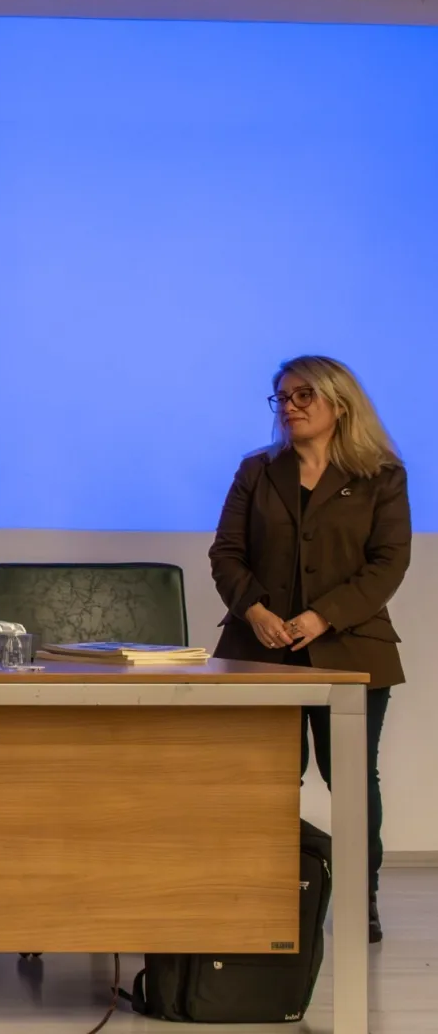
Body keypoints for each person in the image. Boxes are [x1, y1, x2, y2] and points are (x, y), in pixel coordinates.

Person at [209, 355, 410, 943]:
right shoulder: (257, 470)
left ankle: (359, 897)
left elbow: (389, 562)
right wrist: (255, 611)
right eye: (282, 397)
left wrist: (325, 615)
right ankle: (268, 893)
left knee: (352, 779)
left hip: (352, 649)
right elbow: (226, 553)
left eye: (303, 396)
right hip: (259, 650)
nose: (289, 407)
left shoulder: (381, 475)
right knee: (267, 778)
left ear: (339, 404)